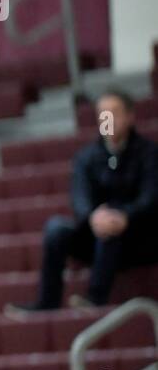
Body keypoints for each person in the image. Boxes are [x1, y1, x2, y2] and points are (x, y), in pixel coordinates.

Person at [8, 89, 158, 313]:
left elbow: (150, 197)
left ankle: (95, 297)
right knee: (56, 228)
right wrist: (94, 217)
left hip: (136, 236)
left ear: (130, 116)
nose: (108, 120)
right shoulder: (86, 157)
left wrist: (125, 216)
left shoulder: (149, 153)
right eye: (102, 115)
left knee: (112, 223)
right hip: (95, 233)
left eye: (114, 113)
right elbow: (79, 198)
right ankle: (47, 301)